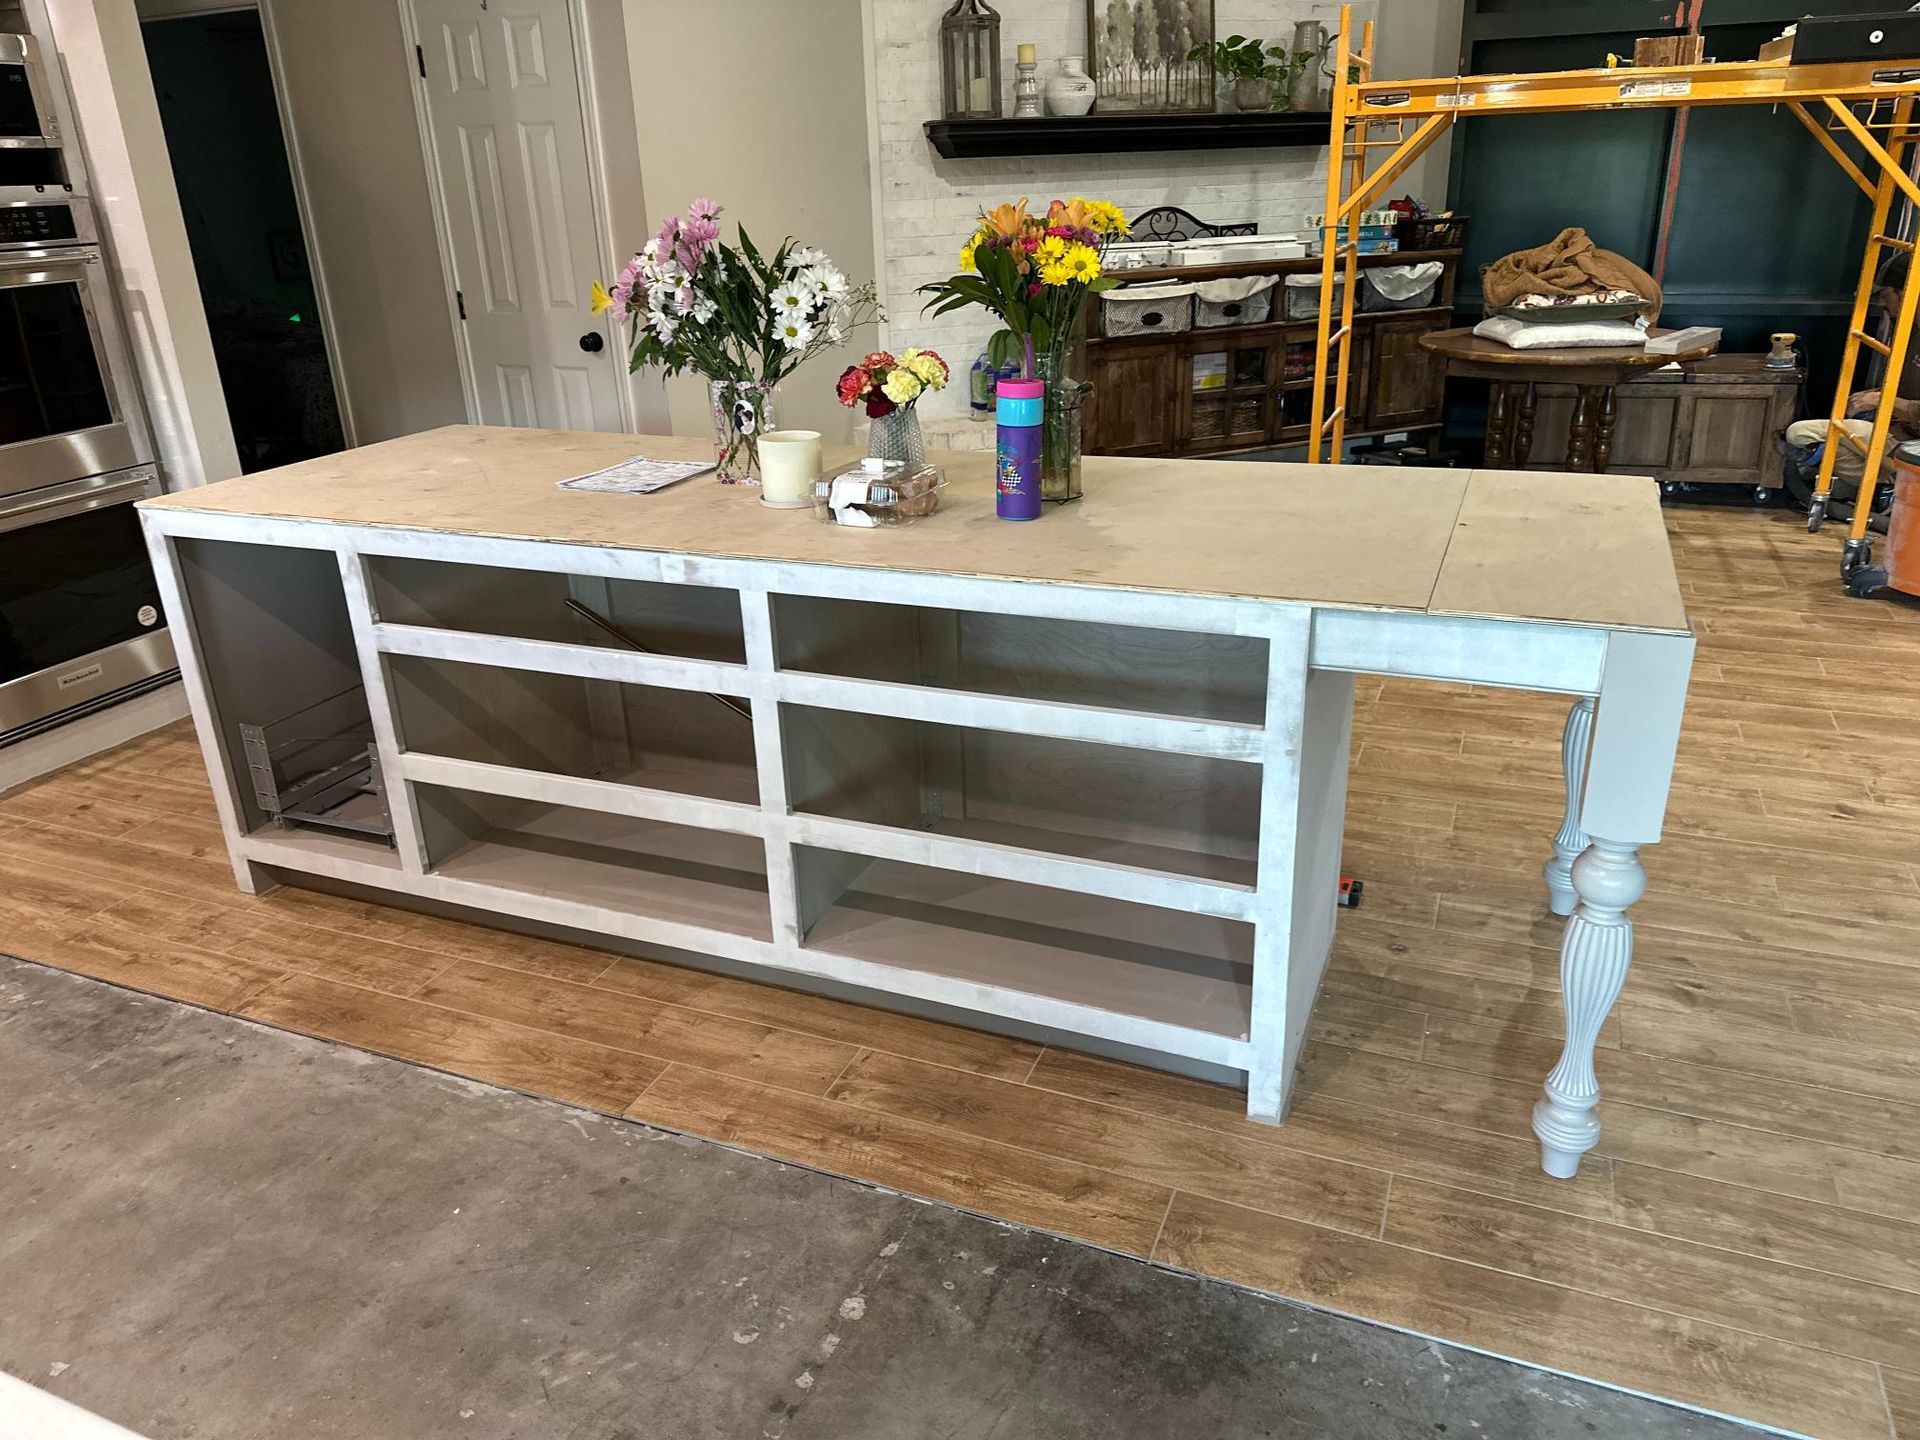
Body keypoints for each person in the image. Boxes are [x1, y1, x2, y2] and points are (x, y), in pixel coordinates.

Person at [1784, 252, 1918, 505]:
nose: (1881, 303)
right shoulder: (1907, 332)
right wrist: (1879, 397)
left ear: (1905, 292)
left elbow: (1906, 403)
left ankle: (1894, 486)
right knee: (1816, 451)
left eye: (1885, 294)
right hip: (1897, 434)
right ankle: (1888, 489)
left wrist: (1887, 402)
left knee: (1800, 435)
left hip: (1912, 443)